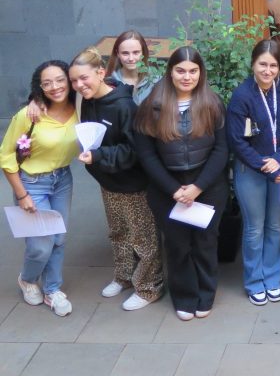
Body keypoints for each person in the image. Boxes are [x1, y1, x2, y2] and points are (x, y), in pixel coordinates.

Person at [134, 47, 229, 321]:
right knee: (177, 245)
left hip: (207, 186)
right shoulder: (151, 106)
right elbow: (147, 155)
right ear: (170, 72)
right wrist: (174, 190)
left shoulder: (212, 103)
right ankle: (185, 296)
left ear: (201, 73)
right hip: (168, 187)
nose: (187, 77)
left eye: (193, 71)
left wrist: (198, 187)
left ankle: (206, 294)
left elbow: (222, 150)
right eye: (180, 70)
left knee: (205, 242)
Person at [69, 48, 163, 311]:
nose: (79, 85)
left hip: (134, 184)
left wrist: (99, 156)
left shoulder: (123, 105)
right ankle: (123, 276)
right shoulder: (88, 99)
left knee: (143, 238)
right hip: (108, 181)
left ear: (101, 73)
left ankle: (148, 287)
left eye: (84, 78)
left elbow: (135, 150)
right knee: (118, 231)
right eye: (74, 81)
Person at [2, 60, 78, 317]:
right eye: (47, 83)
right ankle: (27, 277)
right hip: (32, 183)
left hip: (62, 180)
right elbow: (6, 156)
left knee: (58, 238)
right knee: (40, 246)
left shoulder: (80, 107)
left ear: (70, 80)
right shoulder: (30, 114)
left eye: (60, 80)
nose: (55, 87)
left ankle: (53, 290)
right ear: (39, 88)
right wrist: (21, 194)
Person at [226, 39, 280, 306]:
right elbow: (236, 141)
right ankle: (255, 281)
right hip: (251, 169)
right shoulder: (242, 96)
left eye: (273, 65)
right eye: (262, 64)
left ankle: (273, 277)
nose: (267, 71)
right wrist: (263, 164)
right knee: (254, 228)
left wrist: (277, 159)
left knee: (275, 226)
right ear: (253, 64)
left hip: (279, 168)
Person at [107, 30, 157, 103]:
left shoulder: (156, 81)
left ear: (143, 52)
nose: (131, 58)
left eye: (136, 52)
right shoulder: (109, 83)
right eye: (125, 53)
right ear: (117, 54)